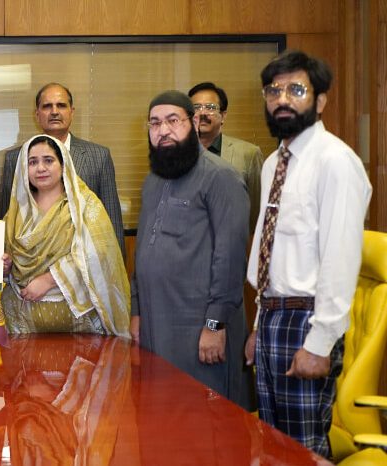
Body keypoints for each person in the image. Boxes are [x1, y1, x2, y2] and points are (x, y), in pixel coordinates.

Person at [245, 50, 371, 458]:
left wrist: (320, 343)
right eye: (273, 90)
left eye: (296, 90)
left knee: (303, 450)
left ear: (319, 101)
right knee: (272, 446)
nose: (282, 99)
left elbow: (341, 259)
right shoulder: (272, 164)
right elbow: (272, 256)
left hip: (308, 320)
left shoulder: (336, 162)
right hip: (272, 318)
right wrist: (258, 326)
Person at [130, 91, 250, 408]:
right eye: (155, 123)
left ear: (194, 122)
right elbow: (143, 250)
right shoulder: (153, 180)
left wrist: (215, 325)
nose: (163, 130)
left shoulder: (221, 177)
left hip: (199, 329)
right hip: (157, 326)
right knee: (163, 422)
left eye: (173, 121)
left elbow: (231, 258)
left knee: (206, 427)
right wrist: (137, 311)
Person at [1, 134, 130, 336]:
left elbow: (98, 253)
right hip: (22, 323)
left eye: (49, 160)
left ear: (63, 165)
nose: (40, 168)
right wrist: (5, 266)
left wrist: (50, 279)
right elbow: (6, 257)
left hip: (77, 322)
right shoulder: (17, 212)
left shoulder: (84, 205)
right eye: (32, 162)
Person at [0, 83, 126, 259]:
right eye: (47, 106)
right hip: (30, 267)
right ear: (37, 114)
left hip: (84, 267)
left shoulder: (99, 156)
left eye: (61, 105)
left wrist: (115, 273)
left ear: (71, 111)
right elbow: (8, 221)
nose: (54, 111)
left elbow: (112, 223)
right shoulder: (17, 159)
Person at [188, 81, 265, 232]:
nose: (202, 113)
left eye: (210, 107)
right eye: (196, 108)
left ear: (223, 116)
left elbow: (257, 212)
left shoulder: (248, 154)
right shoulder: (176, 156)